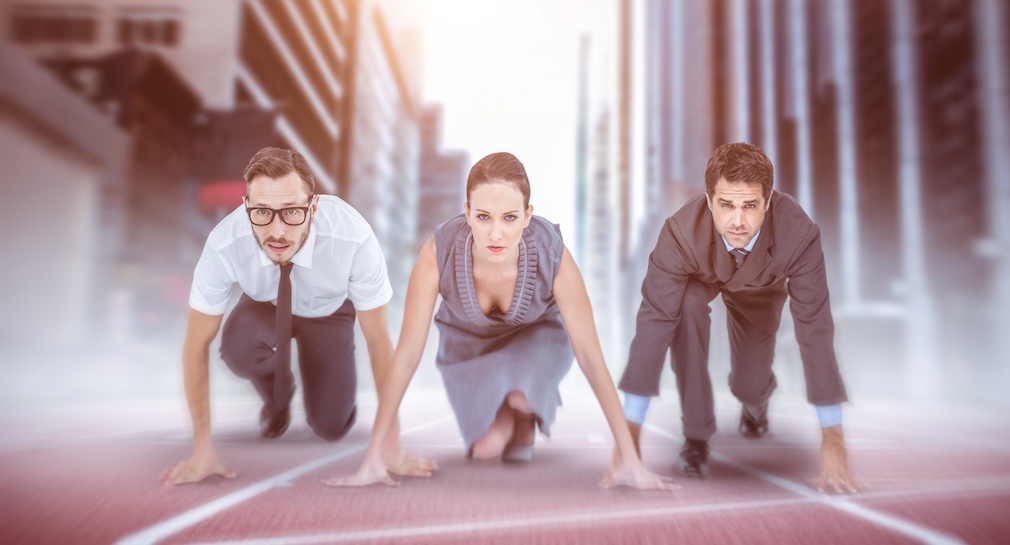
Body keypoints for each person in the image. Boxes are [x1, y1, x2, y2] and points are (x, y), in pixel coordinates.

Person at [325, 152, 674, 490]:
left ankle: (524, 411)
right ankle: (507, 409)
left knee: (522, 396)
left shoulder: (553, 254)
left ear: (527, 215)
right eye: (483, 217)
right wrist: (374, 456)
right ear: (466, 213)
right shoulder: (437, 253)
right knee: (486, 448)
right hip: (467, 346)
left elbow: (592, 360)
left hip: (538, 340)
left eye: (509, 217)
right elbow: (405, 356)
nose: (495, 234)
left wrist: (629, 457)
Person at [161, 147, 434, 485]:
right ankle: (279, 393)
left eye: (291, 211)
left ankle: (322, 394)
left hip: (329, 312)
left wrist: (391, 444)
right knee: (236, 349)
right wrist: (202, 450)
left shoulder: (353, 237)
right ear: (246, 207)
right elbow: (195, 346)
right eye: (262, 211)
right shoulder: (224, 244)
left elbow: (379, 342)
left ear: (314, 206)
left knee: (331, 425)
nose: (277, 231)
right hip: (266, 304)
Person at [617, 142, 859, 493]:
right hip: (700, 279)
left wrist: (833, 436)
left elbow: (814, 327)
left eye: (750, 206)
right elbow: (654, 321)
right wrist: (630, 435)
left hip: (759, 289)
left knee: (750, 383)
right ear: (709, 198)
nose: (737, 221)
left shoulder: (799, 235)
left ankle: (756, 404)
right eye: (726, 205)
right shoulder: (679, 233)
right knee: (682, 307)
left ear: (769, 200)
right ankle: (696, 437)